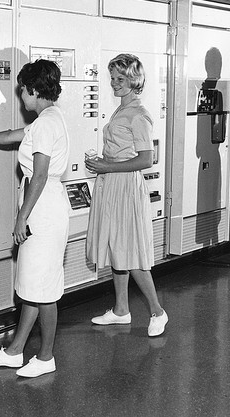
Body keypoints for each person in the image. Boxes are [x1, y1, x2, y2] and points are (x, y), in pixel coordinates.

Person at [0, 58, 70, 378]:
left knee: (45, 289)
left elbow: (38, 176)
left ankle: (46, 356)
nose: (21, 98)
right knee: (34, 285)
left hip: (41, 207)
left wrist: (19, 219)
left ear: (35, 90)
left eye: (23, 92)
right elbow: (15, 135)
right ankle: (15, 352)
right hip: (48, 205)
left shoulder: (44, 124)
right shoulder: (51, 118)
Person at [85, 53, 168, 337]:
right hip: (111, 184)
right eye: (113, 78)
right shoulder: (121, 110)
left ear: (135, 81)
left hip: (125, 187)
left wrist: (107, 165)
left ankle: (158, 311)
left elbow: (147, 159)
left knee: (130, 252)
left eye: (121, 79)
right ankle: (121, 309)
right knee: (115, 247)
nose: (115, 84)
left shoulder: (139, 114)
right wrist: (102, 163)